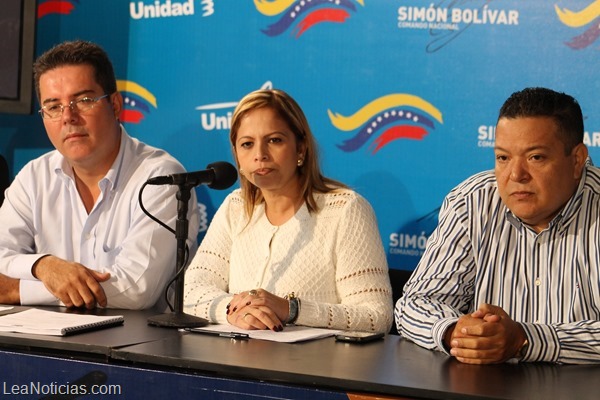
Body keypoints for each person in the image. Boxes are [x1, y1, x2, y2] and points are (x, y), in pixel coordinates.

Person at [395, 87, 600, 364]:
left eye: (536, 157)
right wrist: (458, 332)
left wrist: (525, 339)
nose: (516, 175)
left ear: (576, 160)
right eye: (503, 158)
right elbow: (415, 303)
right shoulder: (472, 203)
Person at [0, 40, 199, 310]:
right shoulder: (34, 177)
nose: (68, 117)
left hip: (139, 335)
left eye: (84, 101)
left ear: (115, 105)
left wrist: (17, 290)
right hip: (50, 333)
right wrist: (43, 265)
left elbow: (135, 288)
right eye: (54, 107)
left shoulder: (160, 177)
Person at [184, 89, 392, 333]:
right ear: (237, 156)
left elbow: (376, 316)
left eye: (274, 140)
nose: (260, 155)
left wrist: (292, 310)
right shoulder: (236, 206)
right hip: (236, 354)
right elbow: (190, 291)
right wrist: (234, 311)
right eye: (247, 144)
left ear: (301, 148)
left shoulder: (345, 210)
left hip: (315, 358)